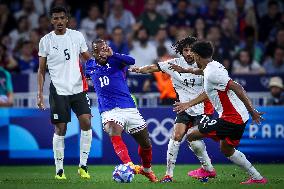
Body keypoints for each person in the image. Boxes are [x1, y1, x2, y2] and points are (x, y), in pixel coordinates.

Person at [174, 41, 267, 184]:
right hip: (239, 117)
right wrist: (186, 70)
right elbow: (203, 76)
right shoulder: (213, 65)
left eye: (193, 56)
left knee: (191, 134)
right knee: (227, 149)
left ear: (198, 56)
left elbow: (238, 88)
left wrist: (253, 110)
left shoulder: (212, 73)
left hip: (232, 118)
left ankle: (207, 169)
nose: (192, 59)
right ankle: (257, 178)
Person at [129, 36, 216, 182]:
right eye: (185, 50)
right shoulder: (174, 64)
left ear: (196, 51)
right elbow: (153, 67)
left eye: (191, 50)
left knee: (193, 141)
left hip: (203, 109)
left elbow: (212, 89)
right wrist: (139, 69)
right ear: (181, 52)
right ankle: (168, 175)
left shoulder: (203, 65)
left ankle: (208, 169)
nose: (188, 53)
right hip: (183, 108)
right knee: (175, 137)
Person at [85, 39, 158, 182]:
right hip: (109, 109)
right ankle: (129, 164)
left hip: (128, 107)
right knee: (113, 129)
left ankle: (146, 170)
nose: (104, 51)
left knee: (146, 144)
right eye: (100, 49)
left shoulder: (116, 60)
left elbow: (131, 60)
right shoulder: (89, 66)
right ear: (94, 52)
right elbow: (83, 79)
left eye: (106, 48)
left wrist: (114, 54)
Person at [37, 6, 92, 180]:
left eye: (62, 18)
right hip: (58, 90)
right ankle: (59, 170)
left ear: (67, 19)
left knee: (86, 121)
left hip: (78, 88)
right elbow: (41, 70)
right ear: (51, 20)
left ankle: (83, 166)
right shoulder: (45, 41)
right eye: (56, 18)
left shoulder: (77, 36)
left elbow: (87, 59)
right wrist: (40, 94)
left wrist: (95, 71)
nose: (59, 21)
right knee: (61, 128)